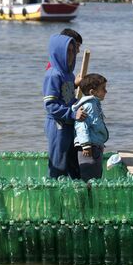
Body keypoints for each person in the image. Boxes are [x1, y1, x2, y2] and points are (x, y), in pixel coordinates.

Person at [43, 34, 86, 179]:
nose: (71, 55)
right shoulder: (53, 75)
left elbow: (68, 98)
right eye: (68, 51)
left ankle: (70, 197)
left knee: (71, 164)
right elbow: (50, 105)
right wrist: (73, 114)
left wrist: (80, 105)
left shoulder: (69, 74)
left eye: (73, 51)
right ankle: (53, 197)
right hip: (57, 126)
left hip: (69, 124)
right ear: (58, 52)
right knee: (58, 164)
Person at [72, 73, 109, 181]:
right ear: (92, 92)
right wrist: (86, 145)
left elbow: (95, 127)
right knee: (89, 177)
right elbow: (81, 125)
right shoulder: (89, 106)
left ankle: (91, 196)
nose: (106, 91)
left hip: (94, 146)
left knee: (96, 175)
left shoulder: (95, 104)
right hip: (89, 149)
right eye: (103, 89)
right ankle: (88, 197)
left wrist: (100, 143)